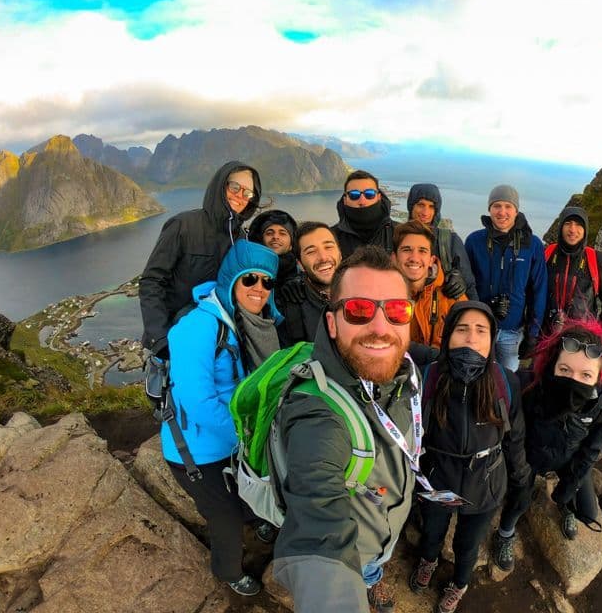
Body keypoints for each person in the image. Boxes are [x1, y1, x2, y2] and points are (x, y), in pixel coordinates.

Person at [272, 246, 422, 613]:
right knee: (365, 567)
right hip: (356, 547)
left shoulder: (402, 374)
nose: (380, 328)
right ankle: (368, 578)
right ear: (331, 322)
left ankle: (373, 574)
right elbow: (318, 518)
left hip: (381, 524)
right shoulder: (317, 412)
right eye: (359, 310)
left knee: (375, 564)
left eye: (396, 311)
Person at [161, 239, 282, 597]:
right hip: (196, 450)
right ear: (231, 279)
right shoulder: (198, 327)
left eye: (266, 282)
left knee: (249, 491)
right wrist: (249, 435)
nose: (259, 288)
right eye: (250, 279)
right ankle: (228, 571)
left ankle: (258, 523)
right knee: (224, 517)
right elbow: (196, 400)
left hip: (229, 441)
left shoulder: (241, 322)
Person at [409, 301, 530, 613]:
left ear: (491, 340)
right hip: (437, 476)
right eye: (461, 329)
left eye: (481, 330)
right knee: (432, 531)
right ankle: (428, 561)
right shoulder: (428, 378)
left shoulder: (505, 382)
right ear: (448, 336)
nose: (471, 338)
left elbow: (514, 437)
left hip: (485, 482)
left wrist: (521, 481)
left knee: (468, 544)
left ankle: (460, 583)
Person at [493, 318, 602, 570]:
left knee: (587, 511)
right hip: (530, 455)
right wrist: (521, 473)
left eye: (586, 375)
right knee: (518, 500)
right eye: (565, 370)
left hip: (568, 457)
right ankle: (505, 533)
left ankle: (565, 506)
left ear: (598, 378)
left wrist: (570, 485)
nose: (574, 381)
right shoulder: (527, 386)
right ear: (553, 366)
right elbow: (512, 437)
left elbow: (592, 448)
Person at [140, 160, 260, 360]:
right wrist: (161, 340)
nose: (240, 196)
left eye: (247, 193)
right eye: (235, 187)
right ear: (220, 186)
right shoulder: (183, 225)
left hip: (222, 342)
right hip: (177, 338)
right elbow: (151, 281)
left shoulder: (242, 238)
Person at [464, 184, 546, 372]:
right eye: (497, 206)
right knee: (476, 378)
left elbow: (538, 290)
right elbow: (466, 284)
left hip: (512, 331)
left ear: (516, 211)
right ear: (489, 209)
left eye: (508, 206)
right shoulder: (474, 241)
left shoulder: (532, 245)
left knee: (507, 381)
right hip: (479, 328)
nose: (502, 212)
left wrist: (533, 334)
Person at [391, 220, 465, 350]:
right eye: (406, 250)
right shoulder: (381, 297)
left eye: (422, 251)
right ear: (394, 258)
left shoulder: (453, 299)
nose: (414, 258)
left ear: (431, 260)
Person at [544, 206, 602, 333]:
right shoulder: (548, 254)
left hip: (580, 338)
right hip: (545, 333)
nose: (572, 229)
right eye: (568, 223)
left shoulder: (597, 259)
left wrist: (601, 332)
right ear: (561, 226)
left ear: (585, 230)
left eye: (579, 225)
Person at [406, 183, 477, 300]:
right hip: (402, 312)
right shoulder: (399, 238)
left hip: (440, 315)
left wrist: (460, 281)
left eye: (431, 206)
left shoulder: (449, 240)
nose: (425, 212)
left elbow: (469, 286)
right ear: (411, 206)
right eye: (420, 205)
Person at [277, 221, 342, 346]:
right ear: (300, 264)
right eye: (311, 251)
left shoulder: (366, 294)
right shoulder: (288, 308)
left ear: (340, 254)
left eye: (328, 247)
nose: (323, 257)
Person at [332, 170, 398, 259]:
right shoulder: (332, 237)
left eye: (369, 194)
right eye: (354, 195)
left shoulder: (399, 233)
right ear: (345, 200)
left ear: (379, 197)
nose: (362, 201)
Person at [248, 209, 300, 286]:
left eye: (282, 233)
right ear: (260, 240)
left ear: (291, 245)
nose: (275, 237)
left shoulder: (302, 278)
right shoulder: (247, 272)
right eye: (269, 233)